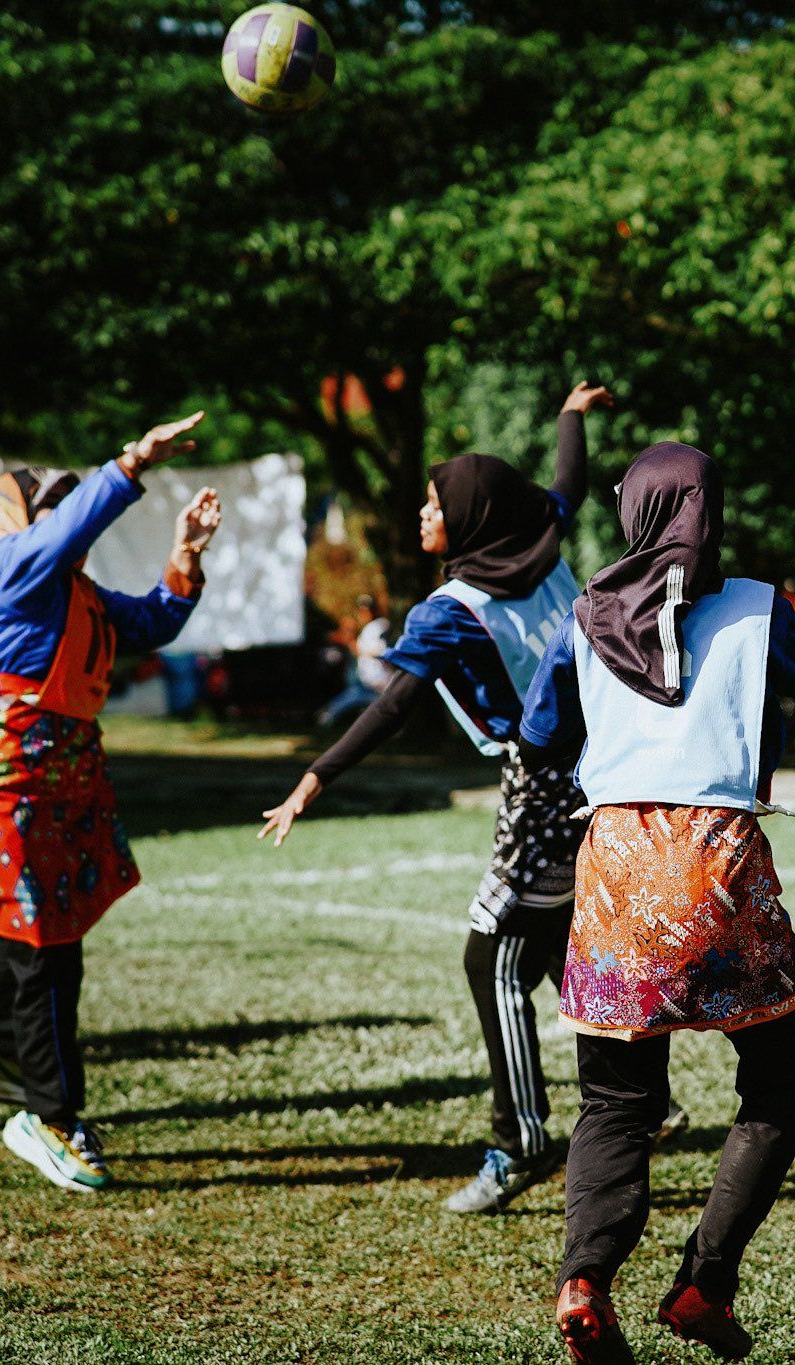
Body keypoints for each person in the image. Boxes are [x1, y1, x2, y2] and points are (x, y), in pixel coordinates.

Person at [258, 382, 663, 1215]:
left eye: (432, 502)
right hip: (603, 766)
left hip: (544, 788)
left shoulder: (453, 608)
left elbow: (394, 702)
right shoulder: (541, 543)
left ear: (472, 518)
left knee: (492, 959)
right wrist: (572, 417)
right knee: (558, 944)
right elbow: (568, 486)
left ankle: (521, 1140)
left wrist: (315, 775)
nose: (420, 513)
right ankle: (639, 1097)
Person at [519, 442, 795, 1365]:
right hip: (715, 857)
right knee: (782, 1075)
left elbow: (541, 730)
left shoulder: (584, 613)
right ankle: (706, 1276)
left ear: (632, 511)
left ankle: (584, 1279)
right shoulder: (759, 608)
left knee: (615, 1099)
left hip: (617, 862)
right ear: (710, 514)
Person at [0, 414, 220, 1192]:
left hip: (49, 773)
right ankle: (48, 1114)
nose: (65, 522)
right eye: (52, 508)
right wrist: (130, 463)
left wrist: (186, 553)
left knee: (41, 919)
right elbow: (67, 531)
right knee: (48, 942)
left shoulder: (72, 590)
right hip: (1, 773)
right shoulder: (2, 566)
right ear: (17, 520)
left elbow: (153, 621)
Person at [317, 594, 393, 726]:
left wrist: (356, 647)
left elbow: (382, 651)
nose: (364, 613)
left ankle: (328, 715)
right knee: (362, 698)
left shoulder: (381, 625)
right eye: (362, 609)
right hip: (368, 678)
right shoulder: (369, 628)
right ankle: (329, 715)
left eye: (367, 609)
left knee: (374, 701)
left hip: (379, 678)